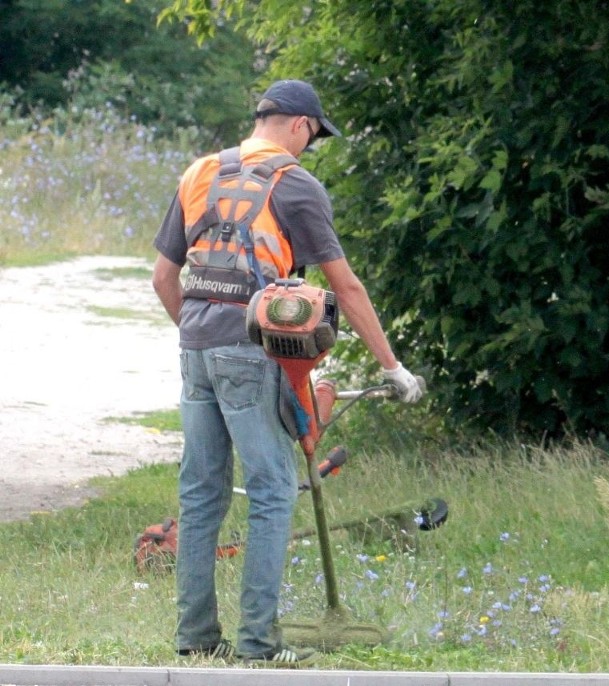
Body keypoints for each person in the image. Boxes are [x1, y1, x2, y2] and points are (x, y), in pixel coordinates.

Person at [152, 79, 422, 667]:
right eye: (314, 137)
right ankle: (257, 645)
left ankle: (195, 637)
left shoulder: (199, 172)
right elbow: (345, 286)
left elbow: (162, 279)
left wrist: (198, 340)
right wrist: (392, 368)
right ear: (300, 125)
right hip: (250, 350)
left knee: (201, 493)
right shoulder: (296, 184)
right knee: (273, 490)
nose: (310, 148)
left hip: (195, 348)